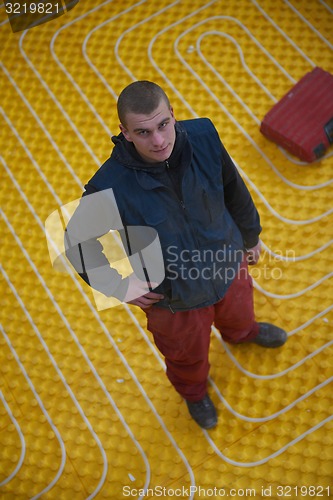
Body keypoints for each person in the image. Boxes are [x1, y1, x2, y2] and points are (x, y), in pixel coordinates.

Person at [65, 80, 287, 429]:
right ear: (124, 132)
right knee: (186, 356)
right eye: (142, 131)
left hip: (229, 264)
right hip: (173, 299)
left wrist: (251, 236)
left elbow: (232, 185)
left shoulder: (204, 135)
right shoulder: (109, 185)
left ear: (173, 115)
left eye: (162, 125)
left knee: (241, 313)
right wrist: (121, 287)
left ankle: (243, 334)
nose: (158, 140)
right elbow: (76, 241)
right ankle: (194, 392)